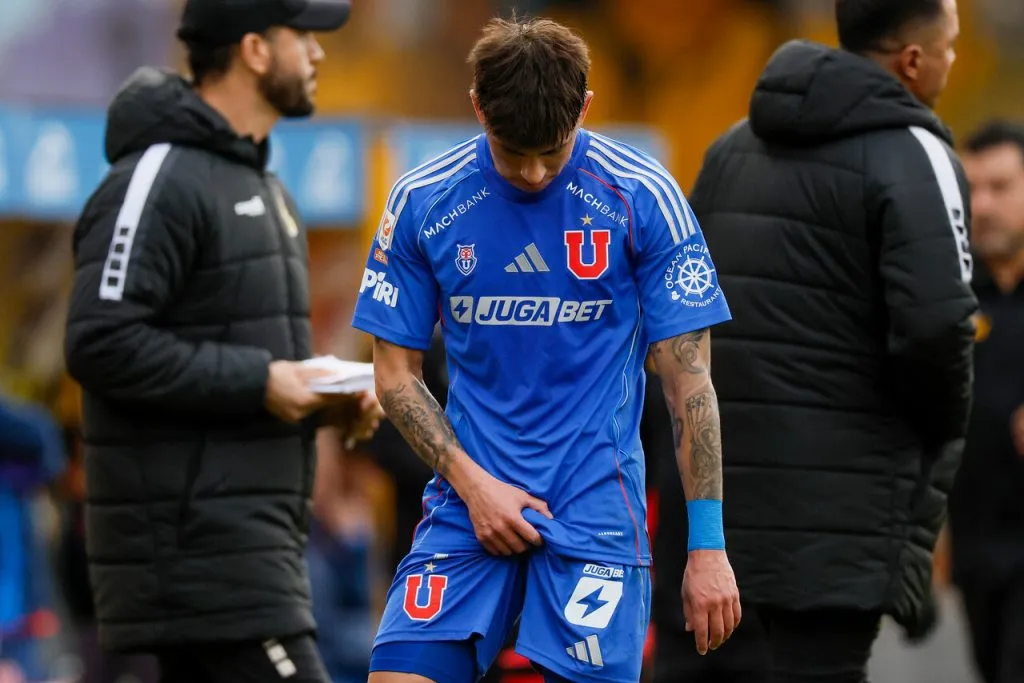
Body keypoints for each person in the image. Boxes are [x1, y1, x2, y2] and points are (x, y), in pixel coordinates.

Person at [352, 15, 742, 683]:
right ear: (477, 107)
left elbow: (690, 384)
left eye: (552, 152)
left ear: (586, 109)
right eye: (512, 152)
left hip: (594, 511)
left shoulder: (644, 198)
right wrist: (475, 487)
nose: (533, 174)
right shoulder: (423, 201)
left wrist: (708, 547)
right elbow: (393, 374)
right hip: (466, 505)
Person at [62, 1, 378, 682]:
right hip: (204, 565)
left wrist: (326, 399)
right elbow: (100, 340)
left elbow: (239, 365)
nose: (319, 54)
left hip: (252, 561)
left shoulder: (265, 188)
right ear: (255, 49)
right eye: (305, 36)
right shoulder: (158, 177)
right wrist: (265, 381)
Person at [683, 0, 978, 680]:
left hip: (731, 506)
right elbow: (940, 330)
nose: (954, 60)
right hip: (846, 508)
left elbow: (686, 314)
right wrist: (931, 440)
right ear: (912, 60)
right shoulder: (917, 152)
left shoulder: (729, 149)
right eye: (950, 46)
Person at [948, 120, 1024, 683]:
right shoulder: (951, 296)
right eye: (971, 190)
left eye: (1000, 188)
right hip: (976, 549)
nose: (984, 205)